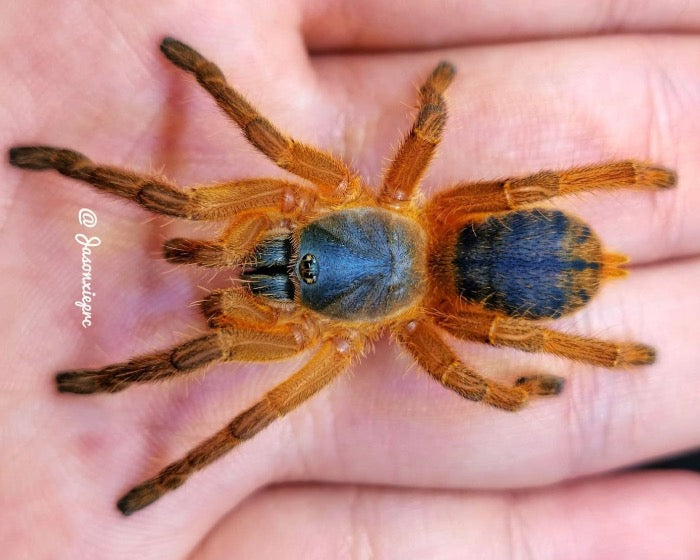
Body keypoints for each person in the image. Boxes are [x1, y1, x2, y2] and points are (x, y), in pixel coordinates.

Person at [2, 2, 699, 557]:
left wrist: (515, 389)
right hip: (473, 256)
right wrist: (430, 97)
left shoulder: (348, 240)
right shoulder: (367, 213)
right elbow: (278, 135)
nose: (272, 268)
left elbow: (272, 140)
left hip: (491, 267)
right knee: (192, 219)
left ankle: (614, 299)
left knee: (244, 379)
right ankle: (64, 175)